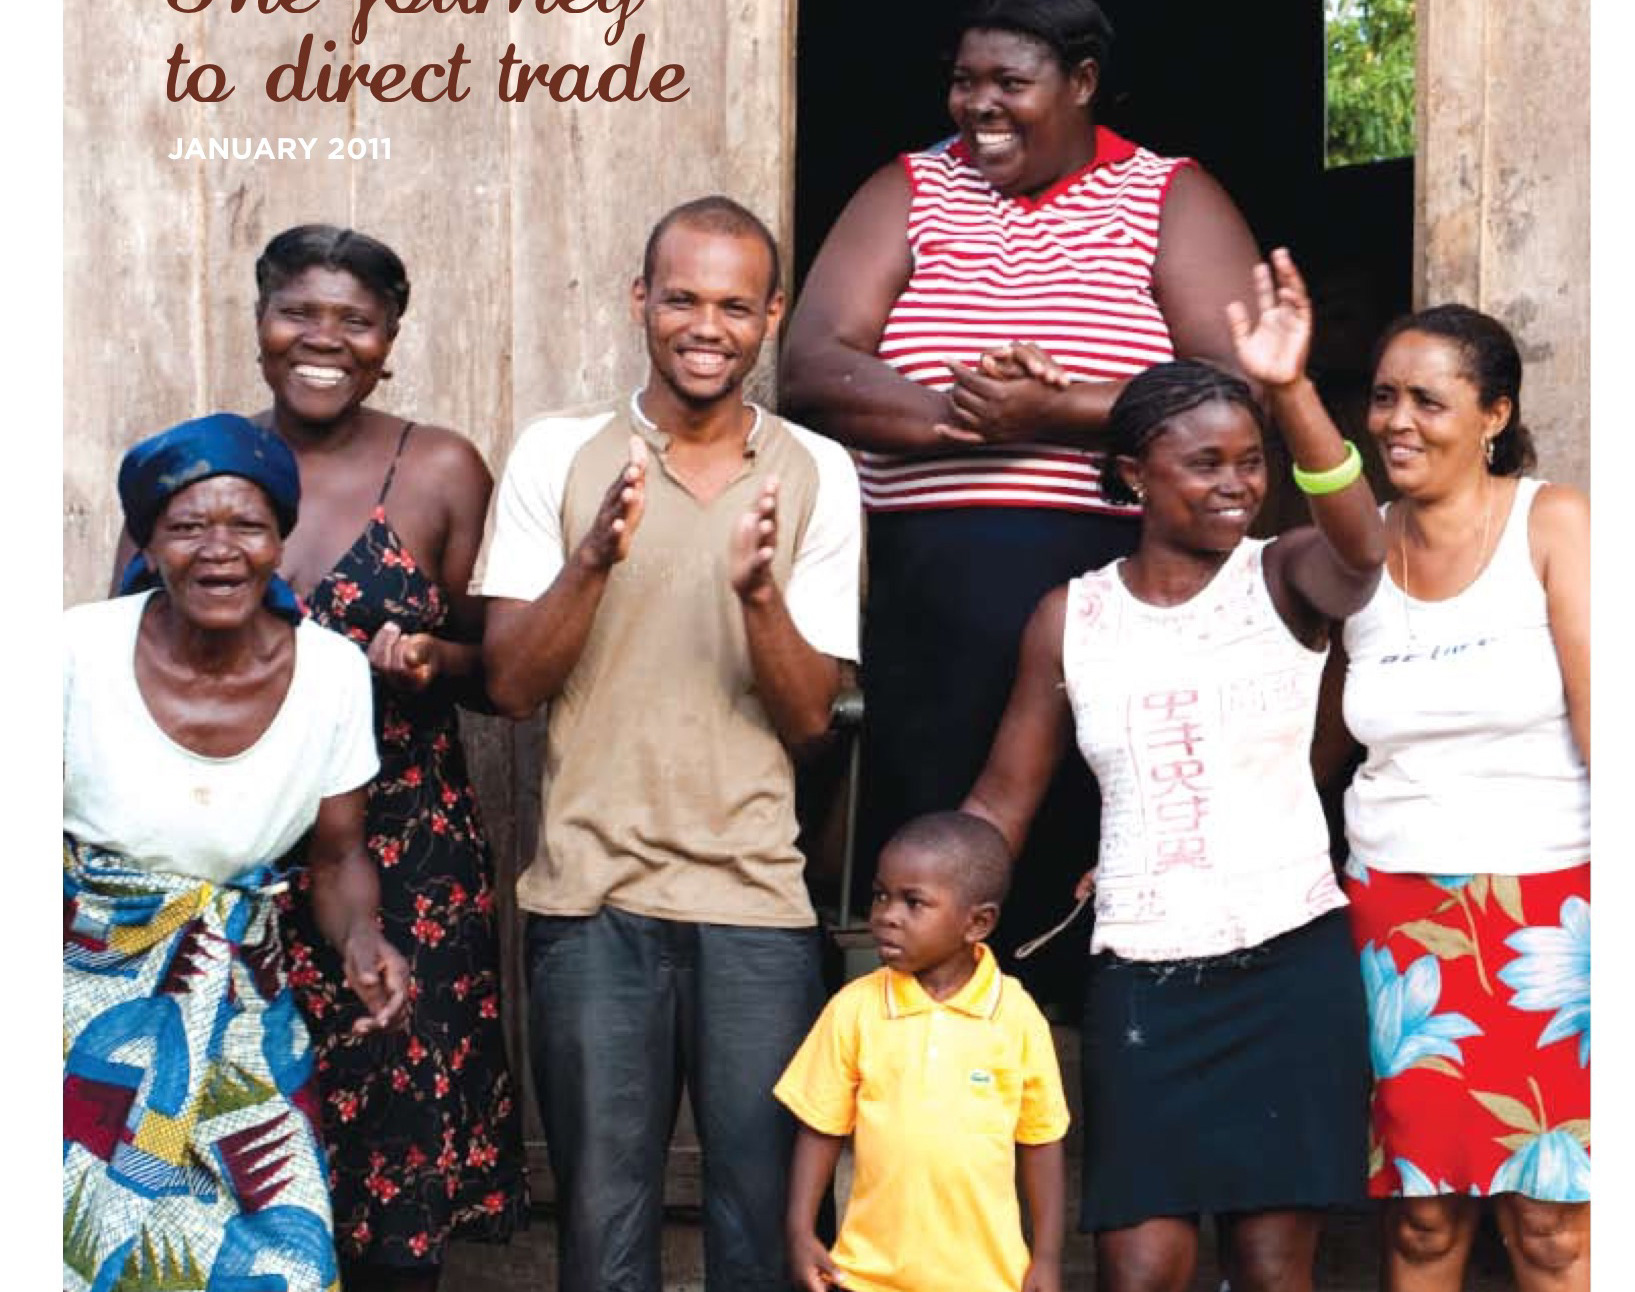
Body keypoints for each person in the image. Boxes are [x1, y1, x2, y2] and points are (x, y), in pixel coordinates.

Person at [778, 0, 1262, 1005]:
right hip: (930, 618)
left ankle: (1103, 1083)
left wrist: (1059, 408)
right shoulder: (908, 189)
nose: (978, 106)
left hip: (1129, 609)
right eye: (964, 81)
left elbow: (1235, 385)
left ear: (1081, 83)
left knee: (1110, 881)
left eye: (1010, 83)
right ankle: (938, 1084)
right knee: (941, 874)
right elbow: (813, 366)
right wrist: (964, 417)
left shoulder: (1169, 195)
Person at [961, 251, 1386, 1292]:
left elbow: (1364, 550)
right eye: (1204, 464)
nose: (1237, 485)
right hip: (1142, 975)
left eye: (1250, 461)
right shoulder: (1072, 617)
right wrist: (935, 907)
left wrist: (1291, 391)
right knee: (1140, 1262)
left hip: (1289, 960)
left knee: (1273, 1267)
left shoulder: (1282, 574)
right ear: (1133, 474)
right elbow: (1001, 802)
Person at [474, 195, 863, 1292]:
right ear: (640, 299)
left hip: (756, 903)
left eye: (735, 306)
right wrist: (593, 558)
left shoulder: (818, 470)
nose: (706, 326)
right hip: (590, 900)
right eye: (682, 298)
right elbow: (509, 686)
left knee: (762, 1241)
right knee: (601, 1239)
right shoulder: (559, 452)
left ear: (772, 316)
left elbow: (810, 719)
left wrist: (759, 596)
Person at [64, 414, 410, 1292]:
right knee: (72, 1247)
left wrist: (361, 939)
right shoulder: (70, 653)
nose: (218, 550)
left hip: (241, 997)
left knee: (278, 1253)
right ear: (148, 545)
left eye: (247, 526)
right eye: (187, 526)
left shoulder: (332, 673)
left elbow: (336, 858)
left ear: (279, 542)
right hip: (78, 996)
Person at [249, 223, 528, 1289]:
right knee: (245, 1141)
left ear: (389, 341)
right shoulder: (208, 464)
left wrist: (428, 660)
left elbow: (504, 669)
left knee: (396, 1158)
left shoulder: (440, 467)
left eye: (354, 321)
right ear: (260, 324)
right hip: (242, 849)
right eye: (298, 312)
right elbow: (135, 641)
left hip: (409, 853)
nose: (324, 339)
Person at [1328, 306, 1590, 1290]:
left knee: (1552, 1222)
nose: (1396, 420)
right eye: (1383, 397)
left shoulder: (1551, 523)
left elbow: (1612, 728)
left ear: (1495, 415)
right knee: (1422, 1216)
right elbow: (1318, 739)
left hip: (1553, 910)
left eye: (1427, 400)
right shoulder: (1357, 547)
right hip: (1395, 916)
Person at [776, 811, 1070, 1292]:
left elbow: (1042, 1140)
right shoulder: (854, 1008)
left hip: (987, 1279)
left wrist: (1048, 1258)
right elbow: (820, 1127)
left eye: (914, 902)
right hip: (869, 1276)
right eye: (880, 895)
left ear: (978, 923)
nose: (887, 915)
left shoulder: (1015, 1016)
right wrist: (800, 1230)